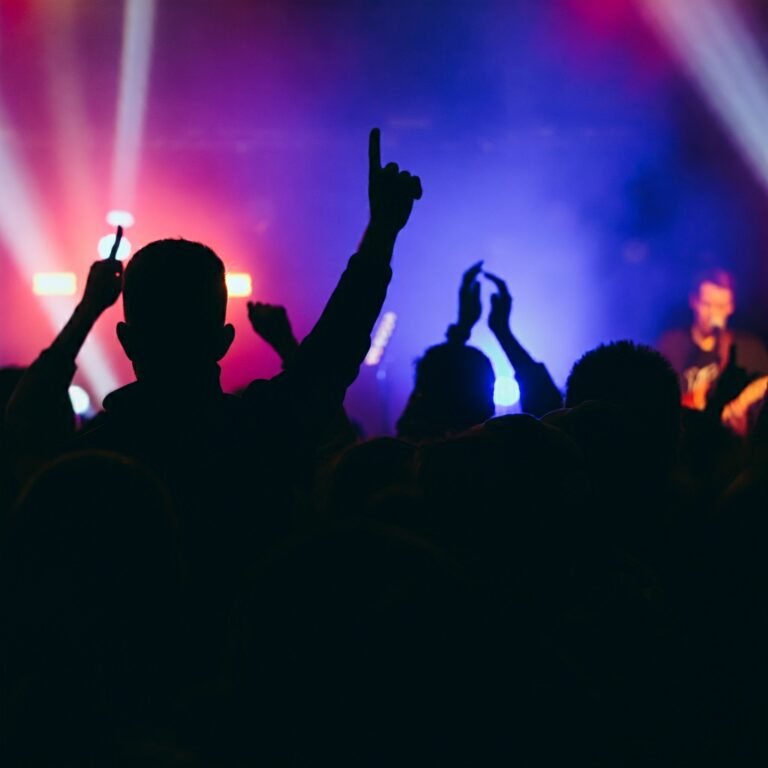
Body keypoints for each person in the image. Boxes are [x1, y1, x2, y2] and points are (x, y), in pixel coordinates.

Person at [658, 269, 768, 435]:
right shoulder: (670, 345)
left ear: (731, 307)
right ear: (694, 302)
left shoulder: (750, 350)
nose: (713, 314)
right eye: (706, 304)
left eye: (720, 306)